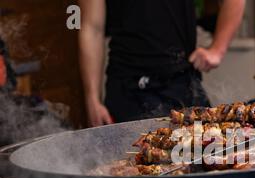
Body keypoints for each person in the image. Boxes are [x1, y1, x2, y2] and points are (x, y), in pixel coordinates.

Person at [79, 0, 246, 127]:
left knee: (205, 163)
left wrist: (218, 49)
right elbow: (92, 27)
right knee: (129, 167)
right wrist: (91, 98)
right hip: (125, 90)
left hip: (182, 85)